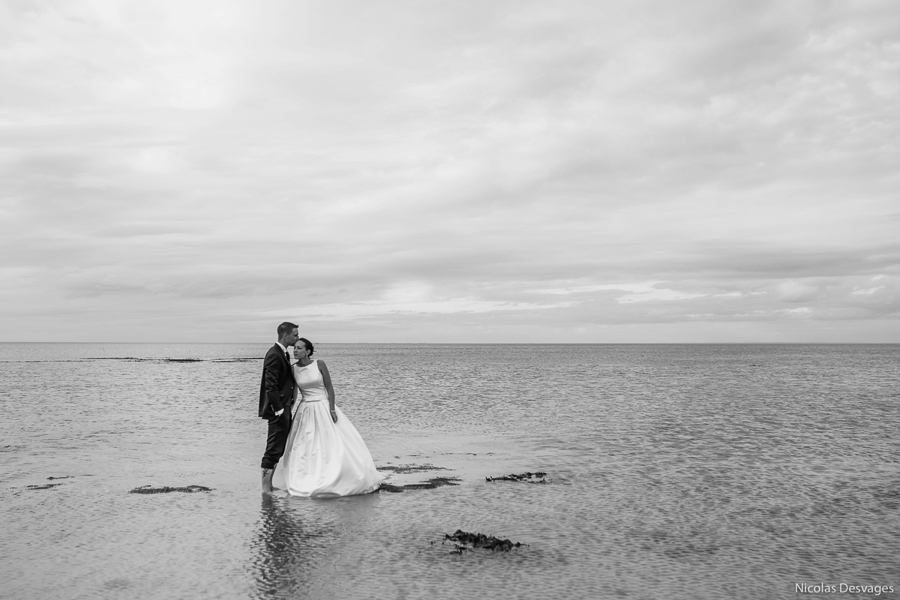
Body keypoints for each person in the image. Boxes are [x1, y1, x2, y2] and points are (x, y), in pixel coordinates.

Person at [281, 337, 385, 497]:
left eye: (299, 348)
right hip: (306, 408)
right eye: (294, 347)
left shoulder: (319, 364)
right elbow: (295, 392)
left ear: (308, 351)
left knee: (332, 442)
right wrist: (288, 410)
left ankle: (340, 475)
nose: (295, 350)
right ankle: (309, 476)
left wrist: (332, 408)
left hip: (323, 405)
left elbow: (329, 387)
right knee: (307, 445)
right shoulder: (293, 369)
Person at [259, 322, 300, 493]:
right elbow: (271, 386)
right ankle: (265, 488)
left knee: (278, 448)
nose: (297, 338)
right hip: (278, 411)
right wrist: (279, 409)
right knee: (273, 449)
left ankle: (269, 485)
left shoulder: (283, 353)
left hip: (284, 408)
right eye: (295, 335)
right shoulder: (274, 355)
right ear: (286, 336)